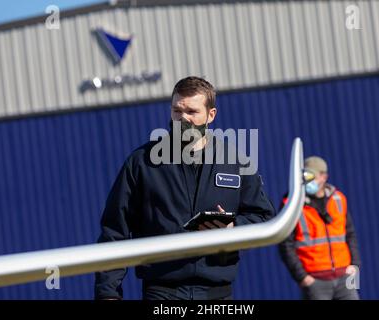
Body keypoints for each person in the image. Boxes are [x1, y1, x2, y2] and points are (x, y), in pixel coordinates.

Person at [94, 76, 274, 300]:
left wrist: (234, 227)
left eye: (191, 112)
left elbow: (264, 217)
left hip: (217, 292)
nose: (183, 119)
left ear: (211, 115)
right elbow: (115, 230)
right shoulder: (143, 162)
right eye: (177, 111)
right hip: (162, 292)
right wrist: (108, 293)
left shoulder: (235, 162)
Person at [279, 156, 361, 300]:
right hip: (315, 280)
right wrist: (302, 277)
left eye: (311, 176)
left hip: (346, 275)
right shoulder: (291, 203)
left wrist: (355, 265)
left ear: (324, 177)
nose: (307, 180)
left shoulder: (339, 199)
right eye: (305, 176)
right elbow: (286, 244)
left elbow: (350, 234)